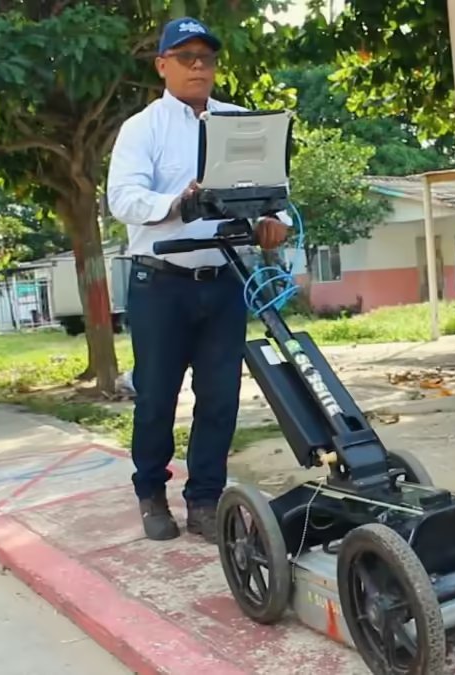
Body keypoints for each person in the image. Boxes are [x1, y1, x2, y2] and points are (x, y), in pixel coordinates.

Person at [106, 16, 290, 543]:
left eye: (205, 58)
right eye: (185, 58)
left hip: (225, 279)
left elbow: (261, 190)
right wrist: (177, 203)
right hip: (161, 283)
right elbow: (123, 199)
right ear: (162, 65)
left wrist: (268, 222)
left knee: (219, 397)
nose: (198, 67)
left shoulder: (237, 123)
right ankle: (150, 492)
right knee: (158, 397)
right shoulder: (142, 129)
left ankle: (205, 499)